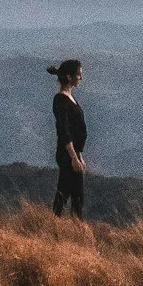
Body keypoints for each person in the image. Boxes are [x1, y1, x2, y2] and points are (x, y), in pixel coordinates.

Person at [48, 59, 88, 220]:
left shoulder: (69, 97)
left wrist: (79, 155)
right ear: (69, 77)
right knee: (76, 195)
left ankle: (55, 223)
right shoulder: (60, 99)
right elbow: (64, 131)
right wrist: (73, 157)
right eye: (78, 74)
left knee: (65, 192)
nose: (81, 78)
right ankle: (76, 228)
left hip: (72, 154)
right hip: (67, 155)